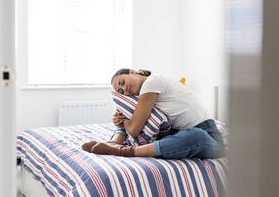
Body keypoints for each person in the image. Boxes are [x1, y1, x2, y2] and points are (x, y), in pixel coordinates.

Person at [82, 68, 225, 159]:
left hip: (207, 132)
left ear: (132, 72)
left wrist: (125, 123)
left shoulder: (152, 82)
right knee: (127, 114)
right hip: (175, 132)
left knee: (195, 136)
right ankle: (114, 142)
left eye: (123, 82)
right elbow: (133, 123)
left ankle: (125, 151)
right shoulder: (142, 95)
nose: (125, 89)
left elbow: (134, 130)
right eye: (121, 91)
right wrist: (120, 120)